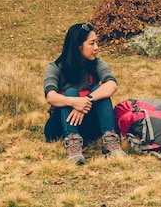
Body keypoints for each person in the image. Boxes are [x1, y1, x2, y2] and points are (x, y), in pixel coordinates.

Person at [43, 22, 126, 163]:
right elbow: (50, 97)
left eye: (96, 43)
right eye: (91, 43)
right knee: (69, 92)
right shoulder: (55, 67)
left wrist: (86, 101)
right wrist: (73, 102)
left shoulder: (97, 64)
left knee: (98, 90)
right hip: (59, 128)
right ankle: (73, 144)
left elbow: (112, 85)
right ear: (78, 46)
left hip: (88, 126)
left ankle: (111, 142)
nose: (96, 48)